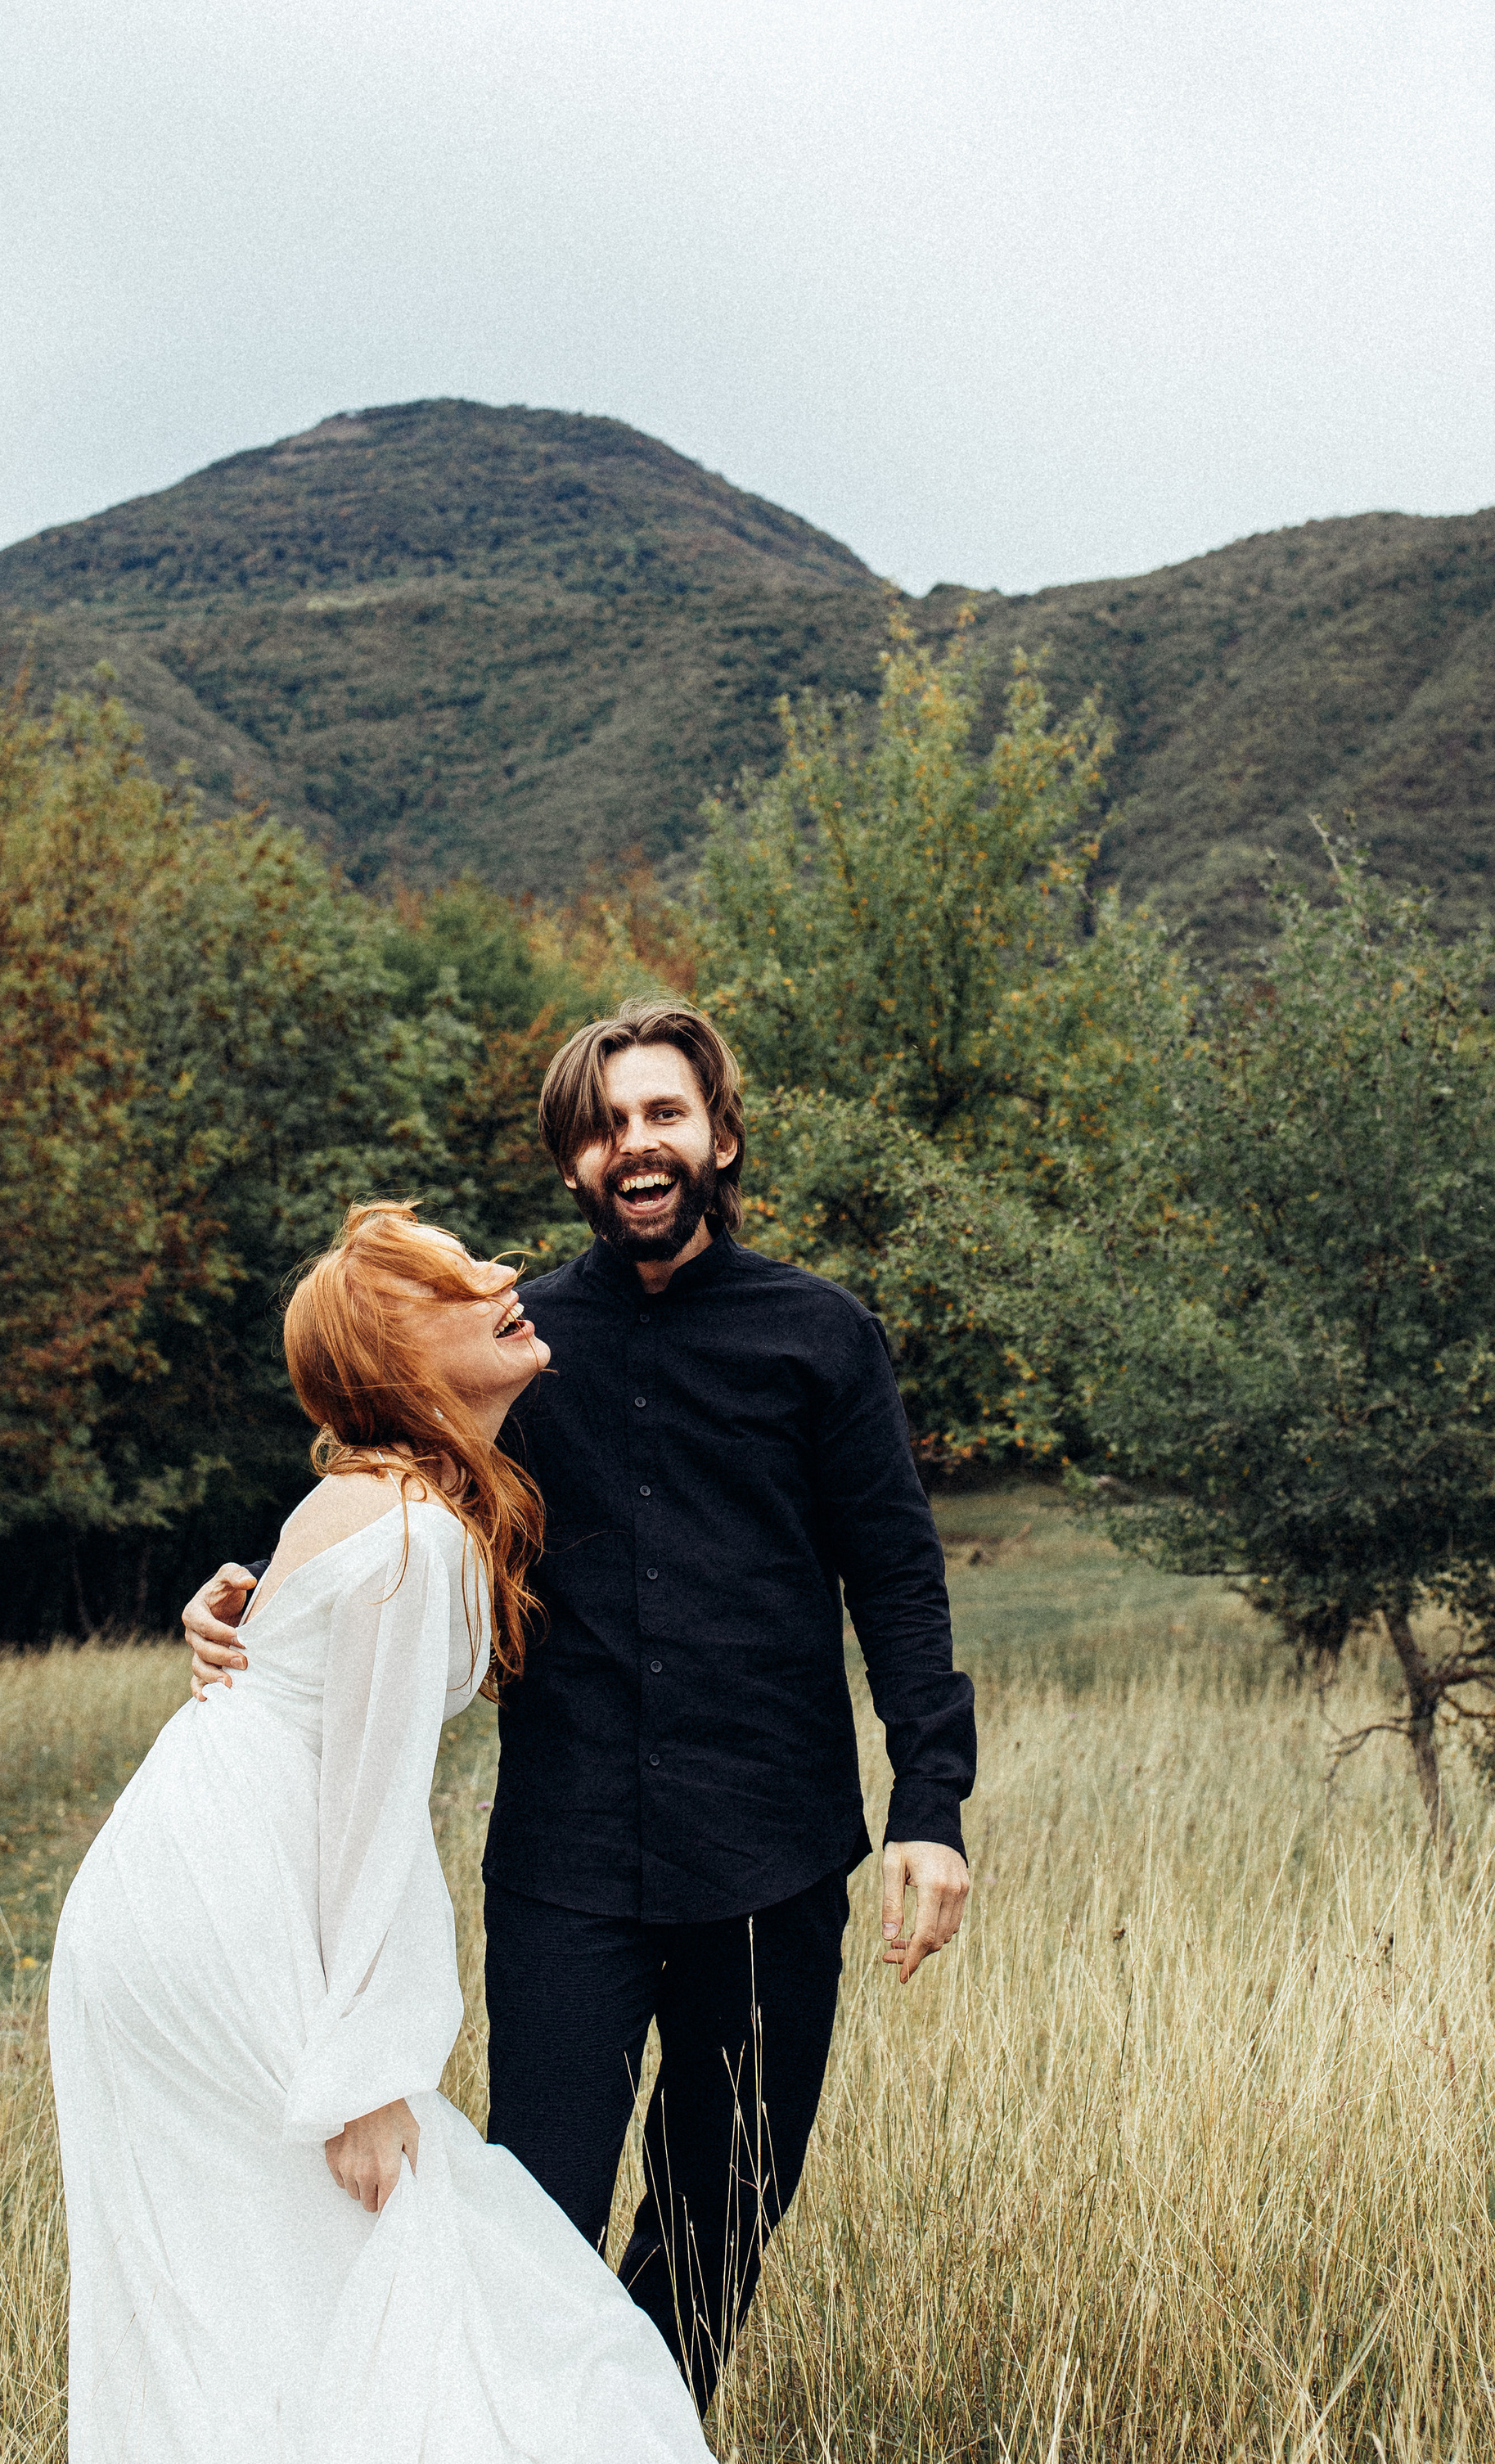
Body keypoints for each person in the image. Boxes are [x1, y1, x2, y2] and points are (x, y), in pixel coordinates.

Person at [186, 998, 977, 2404]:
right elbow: (376, 1485)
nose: (637, 1146)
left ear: (718, 1135)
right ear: (576, 1164)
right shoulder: (514, 1342)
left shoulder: (823, 1335)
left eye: (663, 1115)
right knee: (530, 2226)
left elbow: (899, 1584)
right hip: (569, 1869)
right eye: (607, 1128)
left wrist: (933, 1805)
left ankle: (624, 2430)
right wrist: (248, 1587)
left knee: (720, 2224)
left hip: (774, 1855)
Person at [51, 1202, 710, 2464]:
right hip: (230, 1908)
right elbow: (372, 1817)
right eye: (458, 1284)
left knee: (241, 2286)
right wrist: (365, 2076)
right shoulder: (415, 1534)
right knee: (424, 2257)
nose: (505, 1275)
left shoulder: (369, 1497)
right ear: (401, 1367)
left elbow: (290, 1663)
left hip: (162, 1886)